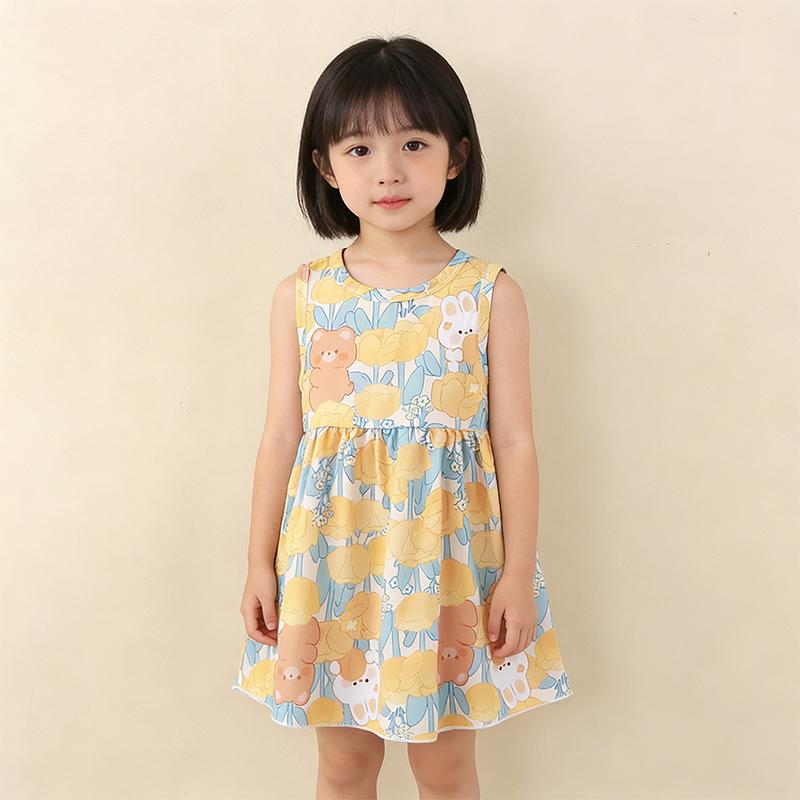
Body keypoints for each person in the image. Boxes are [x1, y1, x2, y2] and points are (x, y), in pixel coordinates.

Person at [231, 34, 574, 800]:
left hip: (447, 570)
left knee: (444, 769)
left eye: (413, 143)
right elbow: (281, 435)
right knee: (344, 766)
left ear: (455, 157)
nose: (387, 170)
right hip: (330, 567)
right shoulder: (303, 294)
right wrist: (258, 562)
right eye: (359, 148)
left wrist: (518, 575)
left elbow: (515, 441)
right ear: (326, 167)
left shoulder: (490, 293)